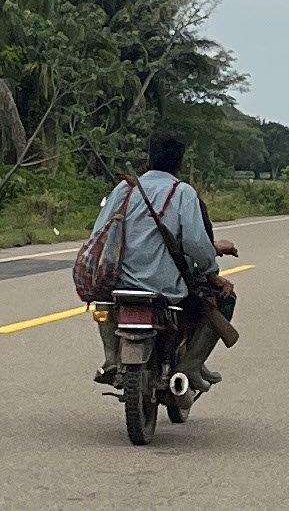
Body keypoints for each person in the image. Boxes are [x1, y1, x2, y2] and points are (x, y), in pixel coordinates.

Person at [91, 130, 236, 391]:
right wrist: (211, 270)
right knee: (224, 299)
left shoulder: (124, 189)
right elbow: (196, 243)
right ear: (180, 161)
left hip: (119, 284)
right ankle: (191, 365)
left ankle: (111, 358)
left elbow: (98, 234)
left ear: (149, 157)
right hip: (166, 289)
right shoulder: (182, 193)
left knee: (103, 302)